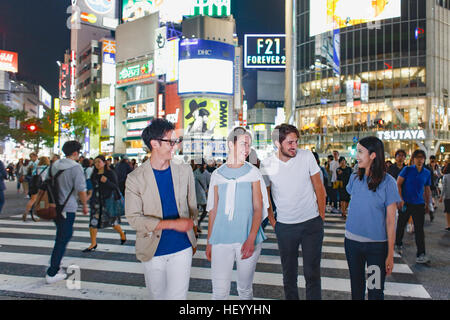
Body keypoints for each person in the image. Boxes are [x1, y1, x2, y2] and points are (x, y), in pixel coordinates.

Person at [125, 118, 198, 300]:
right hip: (152, 248)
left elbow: (192, 206)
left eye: (176, 141)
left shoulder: (184, 170)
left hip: (182, 246)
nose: (175, 146)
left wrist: (192, 231)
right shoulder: (135, 178)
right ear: (154, 144)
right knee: (158, 296)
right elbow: (134, 218)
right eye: (170, 142)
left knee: (178, 297)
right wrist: (172, 224)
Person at [260, 123, 326, 300]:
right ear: (278, 143)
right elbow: (265, 196)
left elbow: (319, 188)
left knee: (312, 274)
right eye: (290, 142)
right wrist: (274, 222)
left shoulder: (307, 156)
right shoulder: (267, 164)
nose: (294, 146)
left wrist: (321, 217)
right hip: (286, 227)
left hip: (311, 224)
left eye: (296, 141)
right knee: (289, 275)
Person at [206, 127, 268, 300]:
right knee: (219, 292)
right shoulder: (217, 175)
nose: (247, 149)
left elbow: (258, 208)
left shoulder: (253, 173)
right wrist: (210, 241)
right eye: (243, 144)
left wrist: (251, 238)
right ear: (230, 145)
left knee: (245, 290)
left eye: (249, 145)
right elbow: (213, 210)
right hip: (220, 239)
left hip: (247, 238)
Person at [344, 136, 400, 300]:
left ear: (373, 155)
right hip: (352, 244)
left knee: (375, 291)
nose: (357, 156)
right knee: (357, 290)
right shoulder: (354, 177)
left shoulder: (389, 183)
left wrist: (390, 254)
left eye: (360, 152)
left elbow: (391, 221)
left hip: (376, 248)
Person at [46, 140, 88, 284]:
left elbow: (46, 183)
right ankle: (52, 272)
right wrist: (85, 205)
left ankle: (55, 265)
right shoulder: (76, 167)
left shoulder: (54, 165)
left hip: (54, 207)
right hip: (67, 208)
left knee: (61, 235)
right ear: (75, 153)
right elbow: (81, 189)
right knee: (63, 238)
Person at [83, 155, 126, 252]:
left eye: (99, 162)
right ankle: (93, 243)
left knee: (112, 222)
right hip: (96, 201)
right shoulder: (94, 174)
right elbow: (91, 188)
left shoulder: (110, 173)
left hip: (107, 201)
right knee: (93, 222)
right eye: (95, 162)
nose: (97, 164)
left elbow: (115, 186)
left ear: (104, 162)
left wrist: (106, 181)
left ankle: (122, 233)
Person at [395, 149, 432, 264]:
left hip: (419, 204)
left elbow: (427, 189)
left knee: (419, 230)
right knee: (401, 225)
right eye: (417, 157)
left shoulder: (426, 173)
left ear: (424, 159)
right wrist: (400, 199)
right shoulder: (407, 170)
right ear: (413, 159)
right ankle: (398, 244)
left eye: (422, 157)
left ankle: (421, 254)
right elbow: (398, 184)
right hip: (406, 203)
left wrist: (428, 203)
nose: (420, 160)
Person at [23, 156, 50, 222]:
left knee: (32, 200)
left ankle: (26, 212)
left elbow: (33, 175)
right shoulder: (48, 168)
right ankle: (41, 214)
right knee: (42, 200)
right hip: (43, 185)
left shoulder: (36, 167)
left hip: (35, 184)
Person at [193, 160, 211, 233]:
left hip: (194, 195)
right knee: (206, 209)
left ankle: (195, 226)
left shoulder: (193, 173)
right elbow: (209, 183)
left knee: (195, 212)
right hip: (201, 195)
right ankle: (198, 223)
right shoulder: (206, 173)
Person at [440, 163, 450, 231]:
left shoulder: (445, 176)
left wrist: (441, 197)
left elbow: (444, 187)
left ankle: (449, 225)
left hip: (447, 196)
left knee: (448, 211)